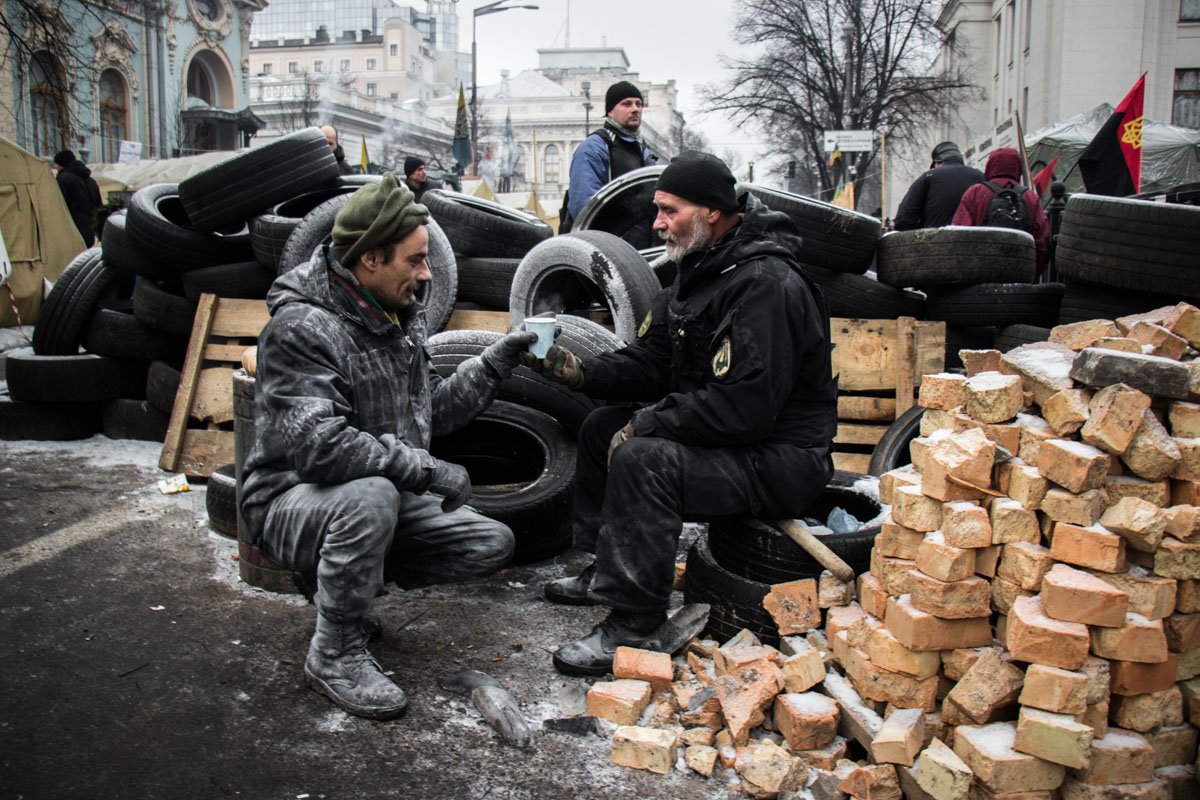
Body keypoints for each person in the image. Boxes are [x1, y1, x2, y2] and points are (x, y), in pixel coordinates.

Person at [525, 151, 839, 676]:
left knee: (644, 457)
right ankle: (606, 569)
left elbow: (744, 409)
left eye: (670, 211)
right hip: (736, 443)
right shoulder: (699, 272)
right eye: (658, 209)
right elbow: (654, 361)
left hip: (779, 460)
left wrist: (648, 423)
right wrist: (581, 373)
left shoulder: (766, 285)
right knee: (602, 425)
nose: (657, 223)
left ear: (712, 211)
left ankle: (635, 622)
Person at [239, 174, 537, 720]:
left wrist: (495, 362)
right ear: (371, 258)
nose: (427, 274)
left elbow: (427, 418)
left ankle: (343, 593)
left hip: (367, 493)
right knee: (372, 495)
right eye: (415, 260)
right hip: (289, 499)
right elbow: (319, 448)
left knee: (487, 543)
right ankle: (334, 654)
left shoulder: (398, 315)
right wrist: (425, 471)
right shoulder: (303, 328)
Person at [561, 80, 658, 242]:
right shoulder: (595, 148)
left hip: (645, 254)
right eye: (626, 104)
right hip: (610, 252)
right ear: (610, 112)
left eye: (639, 104)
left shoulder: (643, 149)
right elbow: (585, 209)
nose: (635, 109)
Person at [952, 146, 1052, 276]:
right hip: (1019, 273)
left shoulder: (975, 192)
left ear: (989, 166)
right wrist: (1033, 272)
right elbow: (1042, 239)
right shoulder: (1029, 196)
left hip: (981, 273)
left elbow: (959, 233)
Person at [893, 141, 983, 231]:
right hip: (975, 241)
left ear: (939, 161)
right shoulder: (981, 177)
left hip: (935, 241)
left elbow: (904, 218)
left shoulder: (929, 176)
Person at [53, 150, 101, 247]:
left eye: (57, 163)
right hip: (89, 230)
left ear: (62, 163)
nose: (55, 166)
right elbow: (99, 206)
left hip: (72, 231)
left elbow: (60, 205)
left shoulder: (63, 179)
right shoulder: (91, 181)